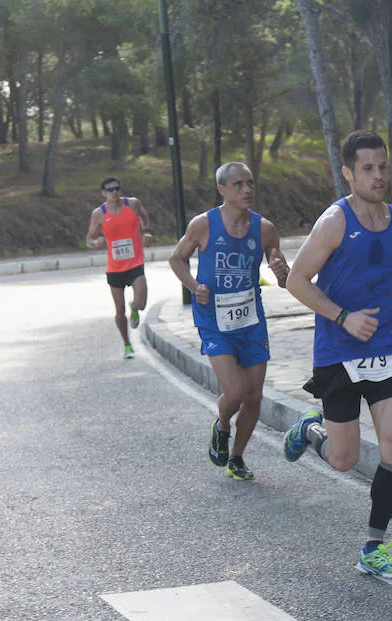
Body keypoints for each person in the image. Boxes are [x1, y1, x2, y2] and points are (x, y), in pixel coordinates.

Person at [283, 130, 392, 578]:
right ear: (348, 173)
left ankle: (374, 545)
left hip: (384, 349)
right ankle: (310, 430)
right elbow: (297, 281)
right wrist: (342, 317)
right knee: (344, 459)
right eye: (368, 168)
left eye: (383, 167)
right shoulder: (334, 222)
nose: (378, 176)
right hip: (337, 350)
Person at [169, 162, 290, 481]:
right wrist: (194, 286)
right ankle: (222, 426)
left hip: (251, 321)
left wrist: (282, 272)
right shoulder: (203, 225)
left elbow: (284, 276)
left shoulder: (265, 229)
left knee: (254, 397)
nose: (247, 189)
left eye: (250, 183)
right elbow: (176, 257)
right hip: (214, 320)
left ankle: (236, 457)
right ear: (221, 190)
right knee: (235, 392)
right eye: (238, 184)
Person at [86, 177, 152, 359]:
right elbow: (89, 239)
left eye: (117, 188)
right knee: (119, 310)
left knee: (141, 303)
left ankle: (135, 307)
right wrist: (95, 242)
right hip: (115, 268)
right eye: (110, 190)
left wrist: (145, 231)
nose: (114, 192)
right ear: (103, 194)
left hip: (135, 263)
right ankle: (127, 344)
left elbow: (144, 218)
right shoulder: (99, 214)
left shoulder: (133, 204)